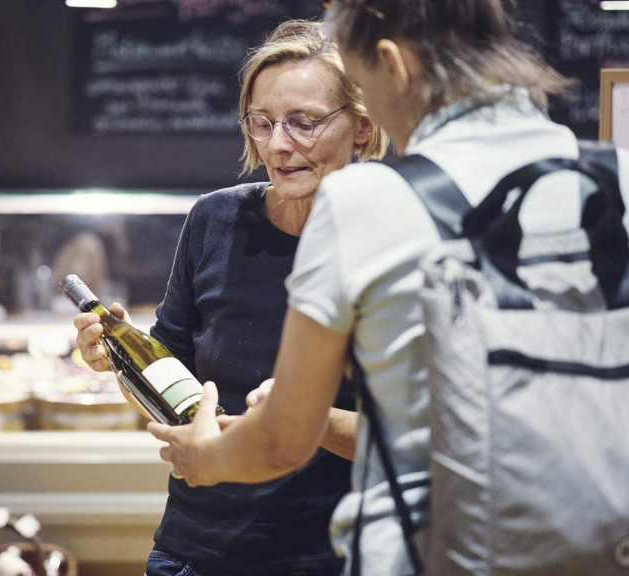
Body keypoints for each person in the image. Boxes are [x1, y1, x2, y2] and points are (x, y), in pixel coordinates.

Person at [148, 1, 629, 575]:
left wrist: (205, 459)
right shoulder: (618, 176)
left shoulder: (368, 202)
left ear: (392, 65)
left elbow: (282, 440)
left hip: (436, 551)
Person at [72, 19, 387, 576]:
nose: (278, 145)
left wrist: (301, 420)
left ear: (362, 127)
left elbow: (416, 440)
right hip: (194, 550)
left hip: (330, 557)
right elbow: (169, 380)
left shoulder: (394, 240)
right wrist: (118, 360)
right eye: (262, 123)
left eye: (305, 123)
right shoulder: (214, 219)